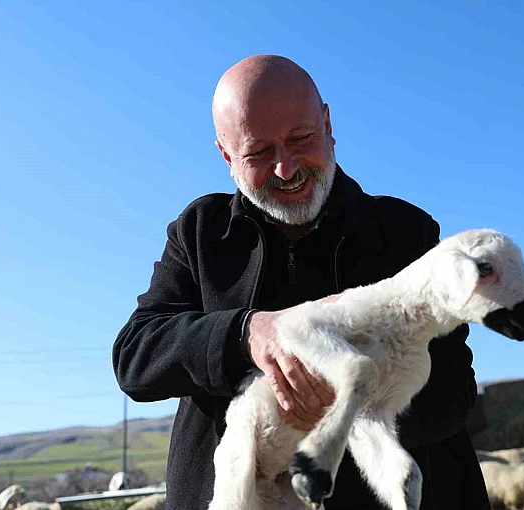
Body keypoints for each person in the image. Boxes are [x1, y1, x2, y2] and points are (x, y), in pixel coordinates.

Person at [113, 54, 491, 510]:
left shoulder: (406, 233)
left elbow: (453, 390)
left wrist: (345, 409)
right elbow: (136, 356)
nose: (286, 169)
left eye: (300, 138)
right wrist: (246, 333)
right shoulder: (199, 233)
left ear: (328, 123)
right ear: (226, 155)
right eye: (259, 153)